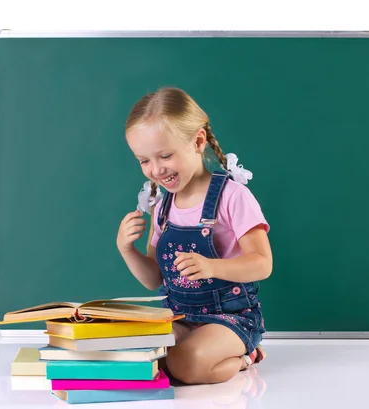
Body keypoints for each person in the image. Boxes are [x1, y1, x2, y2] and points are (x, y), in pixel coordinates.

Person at [116, 87, 272, 385]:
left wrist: (213, 267)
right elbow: (154, 279)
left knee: (187, 365)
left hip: (231, 318)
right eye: (143, 160)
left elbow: (262, 263)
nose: (156, 169)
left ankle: (245, 356)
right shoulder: (162, 206)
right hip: (179, 316)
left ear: (198, 141)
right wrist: (127, 250)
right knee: (146, 355)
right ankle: (197, 352)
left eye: (165, 155)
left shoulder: (233, 196)